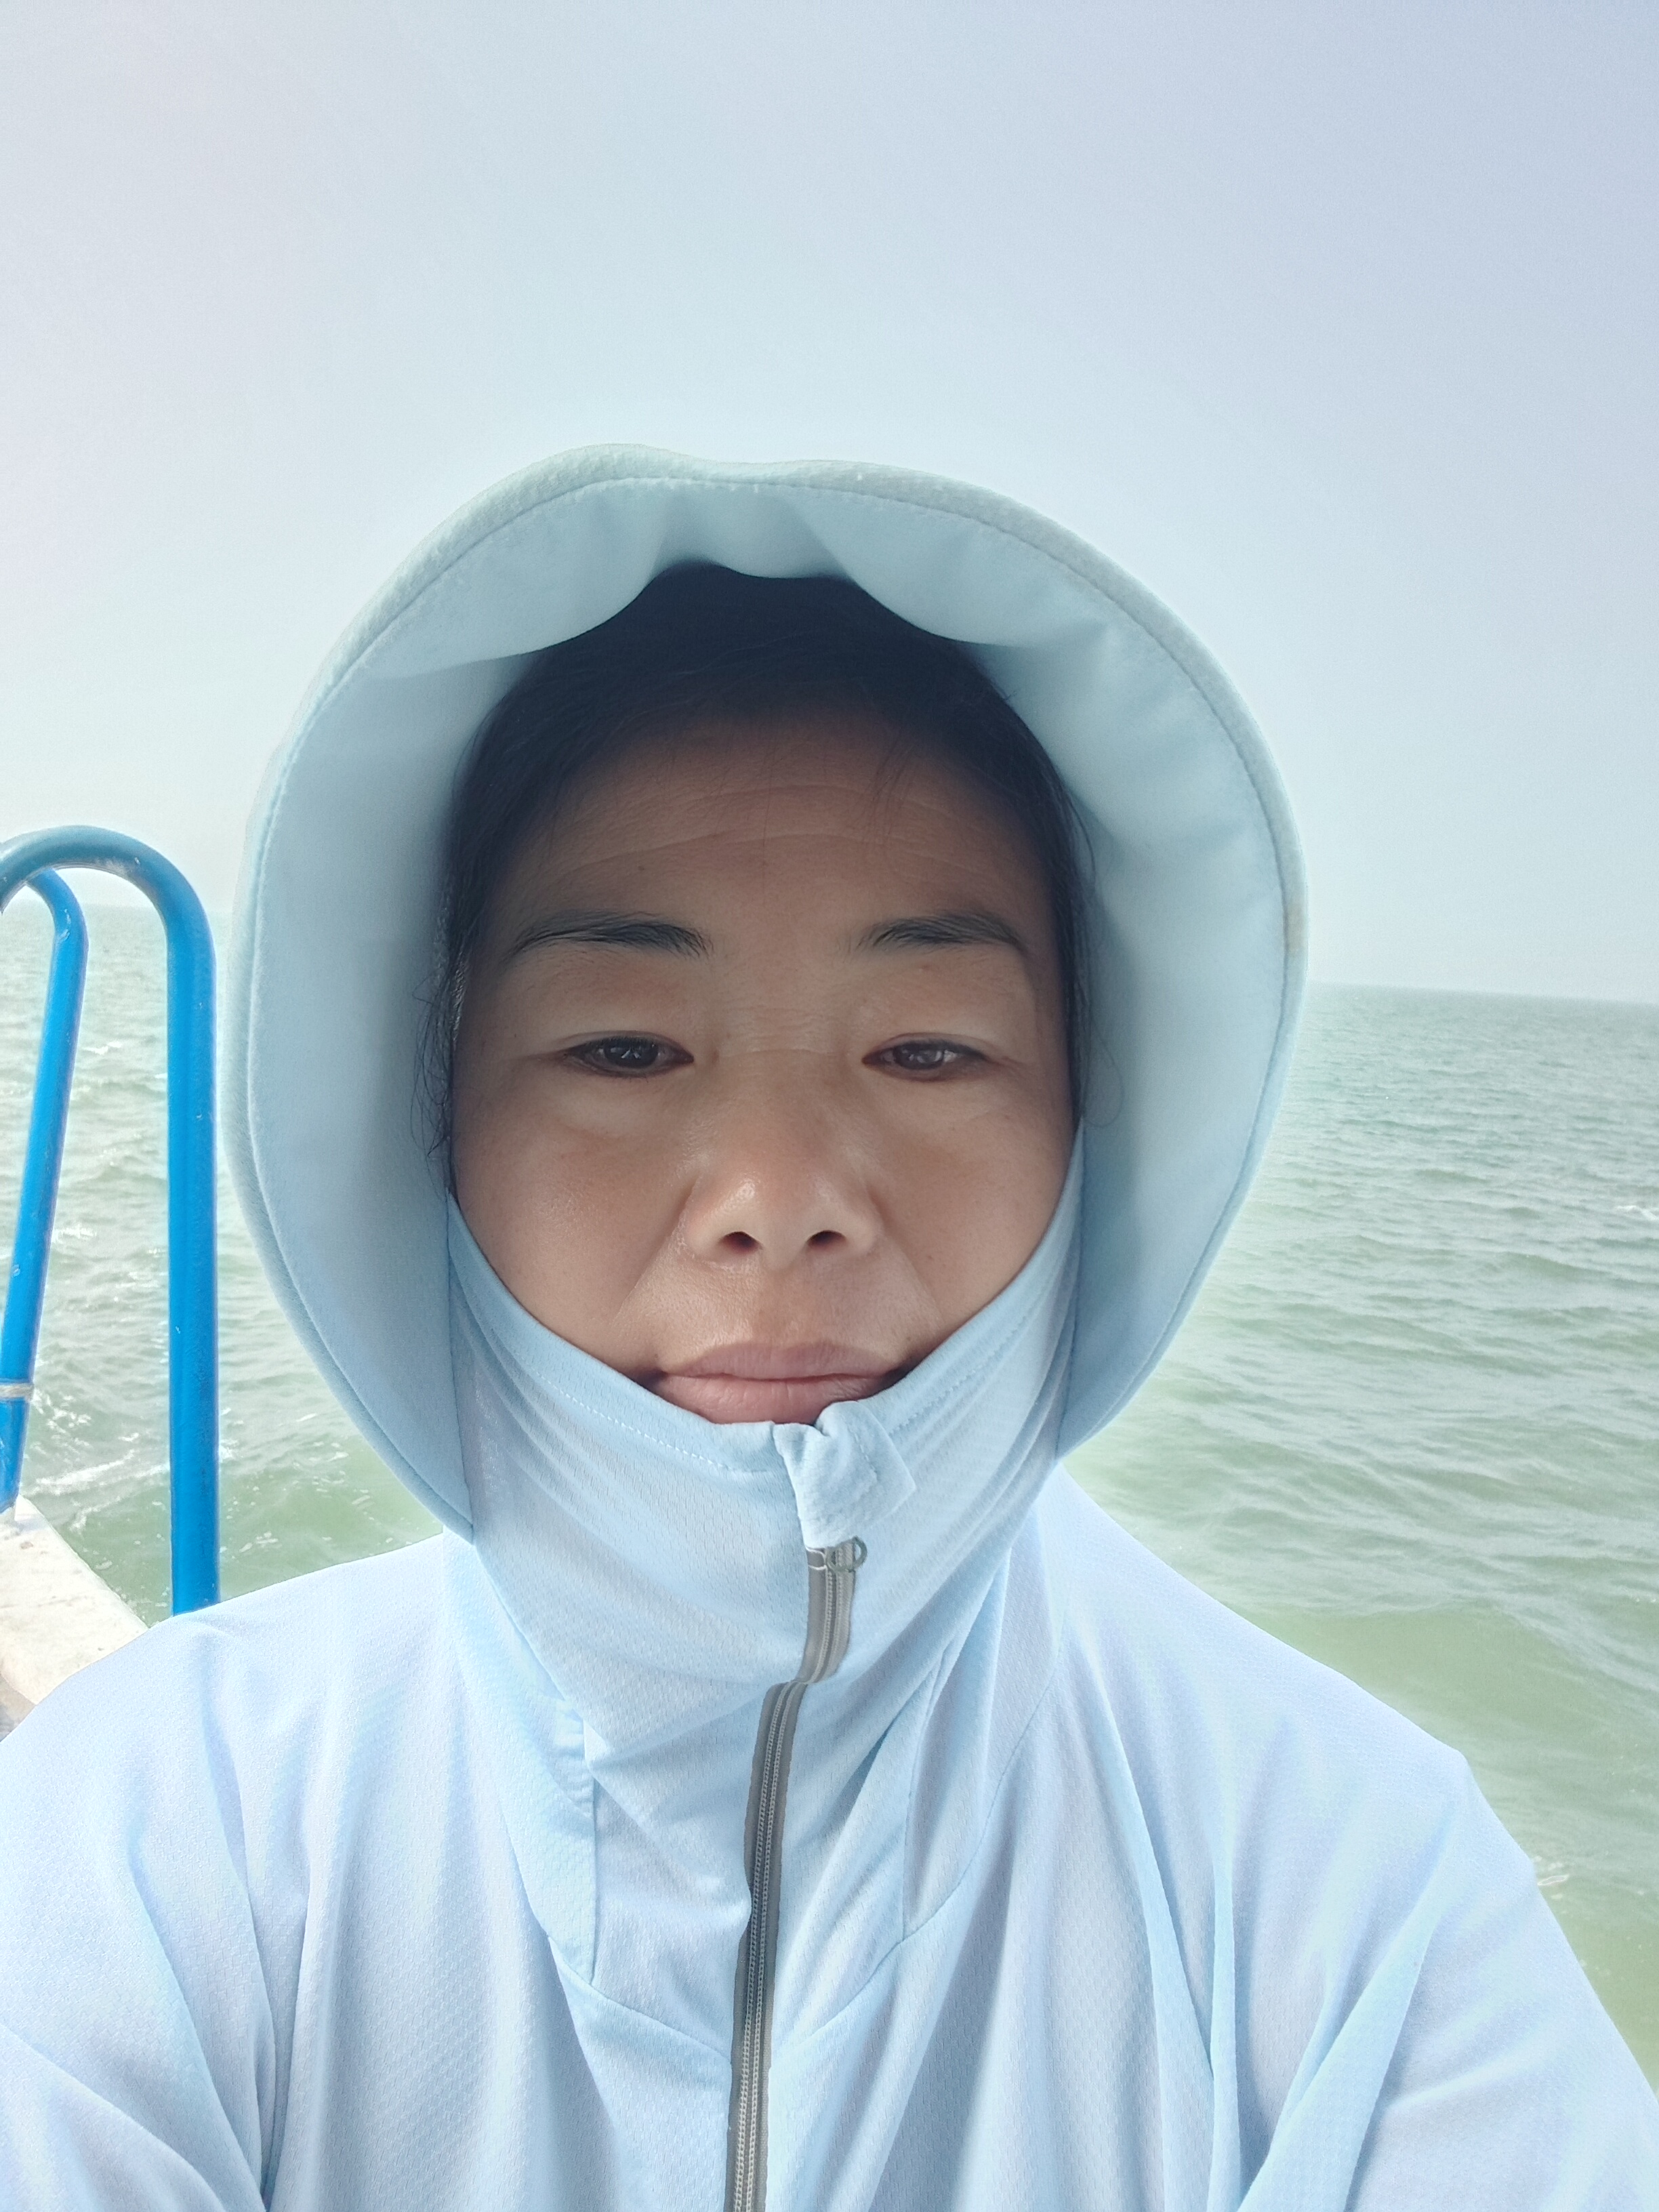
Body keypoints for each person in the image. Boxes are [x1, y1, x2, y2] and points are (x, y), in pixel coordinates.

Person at [1, 448, 1654, 2210]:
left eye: (929, 1049)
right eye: (624, 1047)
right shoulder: (154, 1833)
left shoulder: (1358, 1894)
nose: (779, 1195)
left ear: (1093, 1119)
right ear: (432, 1123)